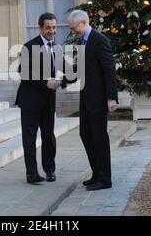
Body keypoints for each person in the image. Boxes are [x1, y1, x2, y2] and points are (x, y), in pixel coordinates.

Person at [62, 10, 119, 190]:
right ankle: (97, 173)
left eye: (74, 28)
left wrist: (111, 97)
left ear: (84, 23)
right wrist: (61, 81)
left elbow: (109, 69)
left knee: (99, 137)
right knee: (86, 134)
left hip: (98, 99)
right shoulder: (84, 40)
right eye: (71, 29)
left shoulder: (99, 39)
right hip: (86, 98)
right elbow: (79, 69)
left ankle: (105, 179)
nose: (73, 32)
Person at [15, 13, 61, 184]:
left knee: (49, 136)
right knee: (30, 138)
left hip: (49, 100)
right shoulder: (29, 46)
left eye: (54, 27)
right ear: (40, 28)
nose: (52, 31)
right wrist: (46, 83)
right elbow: (24, 73)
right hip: (30, 100)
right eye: (48, 27)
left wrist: (60, 80)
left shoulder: (56, 47)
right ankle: (32, 174)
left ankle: (50, 170)